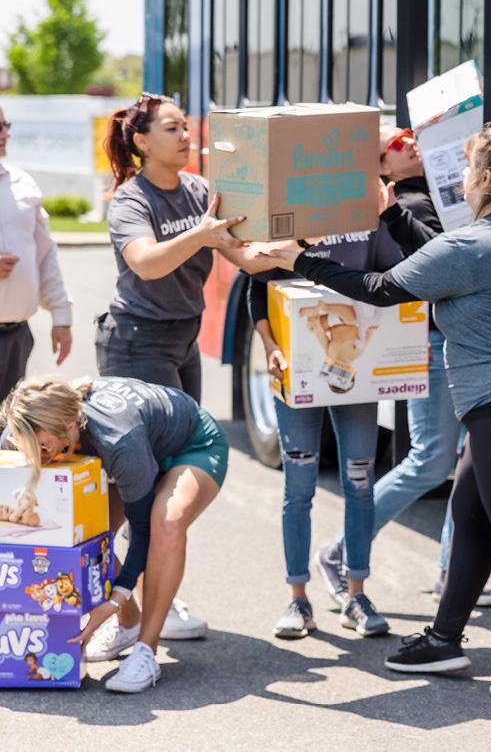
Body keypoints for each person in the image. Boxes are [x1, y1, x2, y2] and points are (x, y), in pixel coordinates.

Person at [250, 124, 491, 700]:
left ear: (484, 180)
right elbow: (430, 257)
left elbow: (380, 287)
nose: (459, 178)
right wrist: (389, 215)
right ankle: (444, 638)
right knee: (472, 515)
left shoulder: (472, 245)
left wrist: (303, 258)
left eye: (466, 168)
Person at [314, 124, 491, 610]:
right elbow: (425, 267)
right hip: (432, 339)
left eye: (406, 133)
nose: (409, 141)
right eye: (396, 144)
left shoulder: (431, 191)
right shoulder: (401, 204)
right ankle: (341, 550)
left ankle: (454, 574)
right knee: (433, 459)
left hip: (458, 338)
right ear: (381, 167)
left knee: (468, 462)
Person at [95, 92, 263, 646]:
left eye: (186, 127)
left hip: (182, 344)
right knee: (135, 493)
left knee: (168, 485)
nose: (186, 136)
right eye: (172, 129)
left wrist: (303, 247)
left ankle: (134, 598)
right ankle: (125, 605)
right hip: (136, 349)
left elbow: (241, 253)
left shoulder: (196, 190)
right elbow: (145, 262)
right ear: (142, 142)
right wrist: (204, 233)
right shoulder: (129, 200)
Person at [0, 375, 228, 693]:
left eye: (42, 447)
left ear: (68, 427)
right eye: (28, 448)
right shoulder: (24, 427)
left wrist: (115, 598)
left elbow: (143, 531)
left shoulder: (118, 439)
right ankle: (129, 624)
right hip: (139, 450)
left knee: (166, 520)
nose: (36, 457)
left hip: (192, 443)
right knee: (88, 538)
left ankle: (146, 651)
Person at [249, 226, 402, 639]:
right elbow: (256, 289)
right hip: (295, 369)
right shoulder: (287, 213)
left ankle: (356, 594)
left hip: (358, 373)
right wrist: (269, 344)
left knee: (359, 479)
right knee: (299, 485)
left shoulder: (367, 218)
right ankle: (298, 598)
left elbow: (396, 279)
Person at [0, 106, 72, 402]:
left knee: (8, 438)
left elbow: (45, 255)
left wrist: (61, 316)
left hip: (17, 337)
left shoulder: (23, 184)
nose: (6, 134)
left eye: (6, 125)